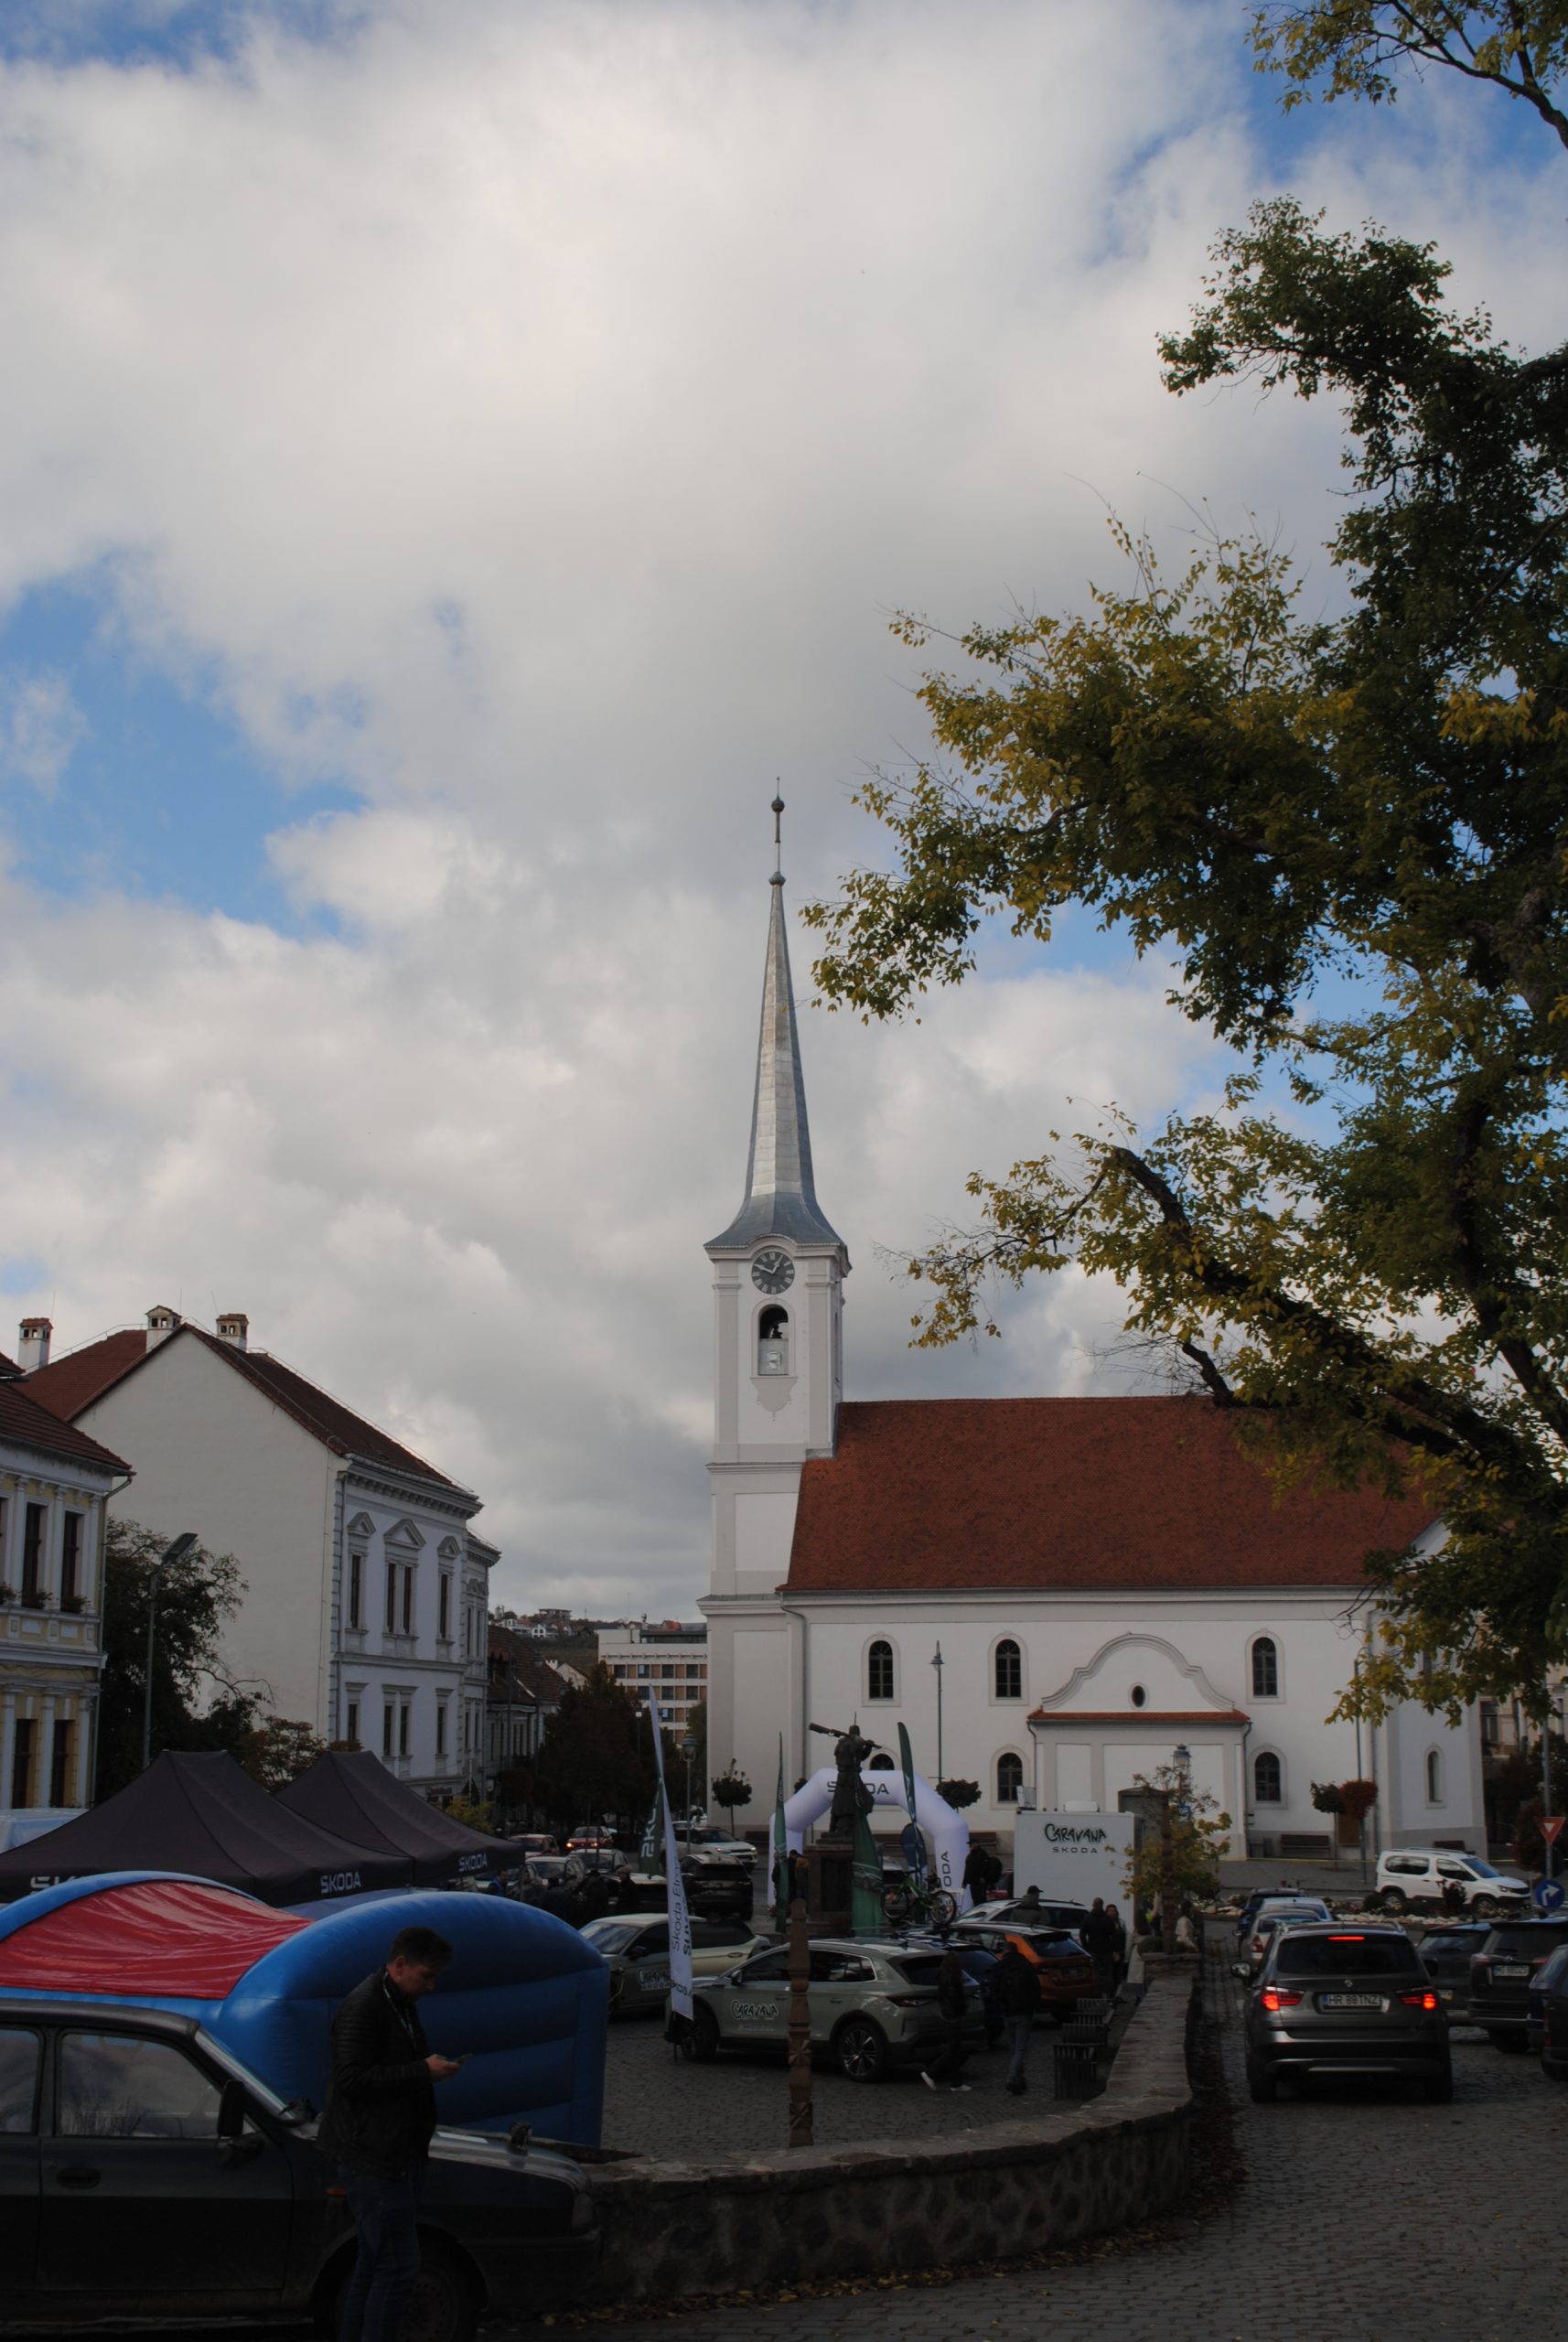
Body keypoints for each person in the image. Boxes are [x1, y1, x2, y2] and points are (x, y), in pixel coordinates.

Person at [317, 1925, 461, 2342]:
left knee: (375, 2262)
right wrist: (421, 2071)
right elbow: (352, 2079)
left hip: (393, 2154)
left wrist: (425, 2071)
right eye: (426, 1976)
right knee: (398, 2266)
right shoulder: (364, 2007)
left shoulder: (398, 2001)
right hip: (373, 2159)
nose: (431, 1986)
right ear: (399, 1966)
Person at [920, 1948, 972, 2092]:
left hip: (947, 2015)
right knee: (954, 2048)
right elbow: (954, 1998)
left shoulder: (943, 1977)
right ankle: (932, 2072)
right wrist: (960, 2009)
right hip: (952, 2016)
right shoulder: (952, 1979)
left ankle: (955, 2082)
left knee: (955, 2049)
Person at [995, 1941, 1041, 2096]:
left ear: (1004, 1951)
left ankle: (1018, 2078)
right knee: (1020, 2047)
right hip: (1024, 2011)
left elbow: (994, 1988)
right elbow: (1035, 1986)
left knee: (1014, 2046)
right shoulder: (1025, 1965)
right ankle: (1013, 2077)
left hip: (1007, 2011)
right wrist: (1035, 2005)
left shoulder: (1000, 1967)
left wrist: (1000, 2005)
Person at [1080, 1896, 1118, 1996]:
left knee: (1095, 1973)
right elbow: (1114, 1935)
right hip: (1106, 1949)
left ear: (1093, 1905)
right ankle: (1109, 1994)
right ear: (1102, 1906)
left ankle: (1097, 1994)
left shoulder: (1087, 1918)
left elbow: (1082, 1934)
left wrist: (1086, 1947)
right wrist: (1113, 1948)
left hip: (1093, 1949)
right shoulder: (1108, 1919)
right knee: (1108, 1973)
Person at [1104, 1900, 1129, 1989]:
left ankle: (1117, 1991)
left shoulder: (1121, 1923)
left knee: (1119, 1974)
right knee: (1110, 1974)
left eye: (1114, 1911)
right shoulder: (1104, 1923)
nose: (1112, 1913)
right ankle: (1110, 1992)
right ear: (1106, 1912)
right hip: (1108, 1953)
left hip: (1120, 1952)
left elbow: (1125, 1936)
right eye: (1110, 1911)